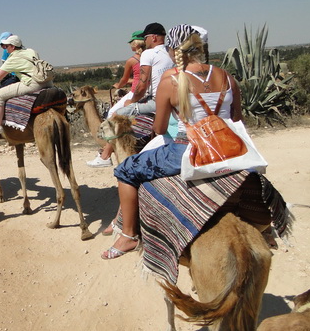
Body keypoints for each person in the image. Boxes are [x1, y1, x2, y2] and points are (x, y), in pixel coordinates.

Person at [100, 24, 242, 259]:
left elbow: (159, 128)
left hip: (187, 149)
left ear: (173, 50)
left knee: (125, 170)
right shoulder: (227, 76)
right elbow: (237, 121)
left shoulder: (172, 80)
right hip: (227, 149)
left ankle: (128, 235)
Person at [0, 34, 53, 139]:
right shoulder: (31, 51)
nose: (5, 49)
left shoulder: (13, 58)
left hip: (33, 84)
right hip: (48, 82)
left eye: (6, 46)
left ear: (13, 46)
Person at [86, 31, 145, 168]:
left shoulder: (132, 60)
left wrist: (119, 85)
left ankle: (105, 155)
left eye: (131, 43)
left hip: (135, 92)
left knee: (112, 115)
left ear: (135, 44)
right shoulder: (149, 57)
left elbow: (124, 79)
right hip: (146, 90)